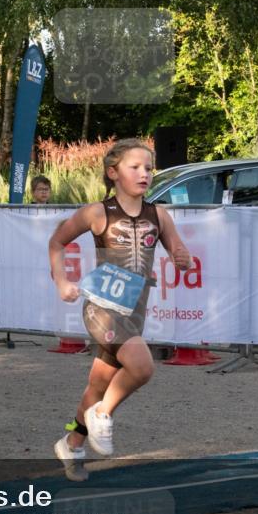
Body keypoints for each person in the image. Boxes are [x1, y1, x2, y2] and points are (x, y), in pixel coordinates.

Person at [48, 139, 192, 480]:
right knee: (142, 368)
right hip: (102, 309)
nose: (144, 174)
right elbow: (57, 241)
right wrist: (62, 282)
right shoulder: (98, 212)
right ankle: (103, 415)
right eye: (135, 167)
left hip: (134, 311)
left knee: (98, 385)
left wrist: (182, 258)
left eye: (148, 168)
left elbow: (180, 252)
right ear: (113, 173)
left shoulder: (159, 215)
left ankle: (72, 442)